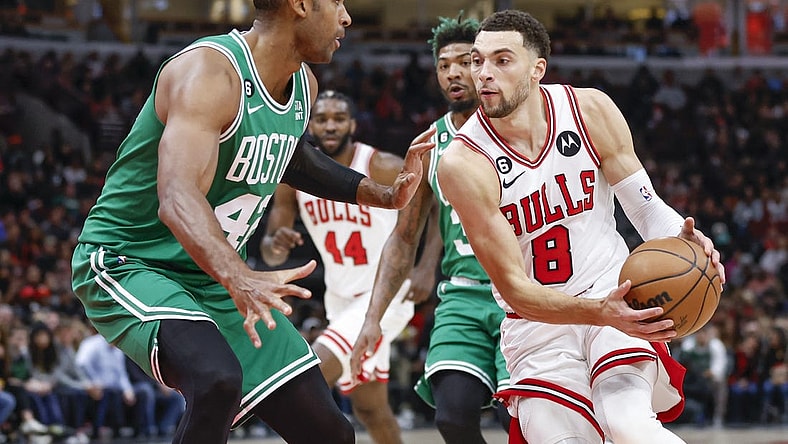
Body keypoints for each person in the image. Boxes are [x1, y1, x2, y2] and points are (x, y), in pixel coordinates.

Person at [69, 1, 433, 443]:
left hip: (213, 276)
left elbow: (292, 157)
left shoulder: (304, 84)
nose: (346, 17)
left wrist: (380, 194)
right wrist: (240, 276)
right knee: (218, 381)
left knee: (330, 432)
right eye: (337, 2)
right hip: (133, 260)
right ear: (300, 4)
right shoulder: (209, 72)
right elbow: (177, 195)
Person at [436, 10, 726, 444]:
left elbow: (647, 211)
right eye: (478, 61)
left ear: (538, 69)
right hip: (537, 325)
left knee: (628, 423)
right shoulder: (463, 163)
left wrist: (685, 241)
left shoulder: (589, 109)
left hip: (612, 293)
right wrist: (598, 312)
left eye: (501, 60)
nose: (483, 74)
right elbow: (516, 290)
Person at [351, 14, 511, 444]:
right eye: (445, 65)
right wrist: (372, 319)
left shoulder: (520, 130)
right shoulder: (427, 145)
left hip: (521, 295)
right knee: (452, 418)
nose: (455, 72)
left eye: (466, 62)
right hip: (461, 294)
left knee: (523, 420)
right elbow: (403, 238)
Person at [261, 90, 420, 444]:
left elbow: (428, 209)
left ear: (352, 124)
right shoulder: (295, 175)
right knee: (369, 408)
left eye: (338, 118)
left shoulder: (381, 165)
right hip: (340, 300)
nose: (330, 125)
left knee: (310, 375)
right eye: (321, 118)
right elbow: (271, 252)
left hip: (386, 295)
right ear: (310, 124)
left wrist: (424, 267)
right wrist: (278, 243)